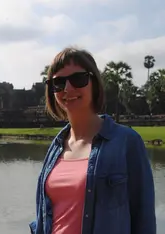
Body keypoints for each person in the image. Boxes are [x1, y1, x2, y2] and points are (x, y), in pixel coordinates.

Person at [29, 47, 156, 234]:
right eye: (59, 82)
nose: (68, 89)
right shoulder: (56, 147)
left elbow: (143, 219)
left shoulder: (126, 142)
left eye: (78, 79)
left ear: (94, 83)